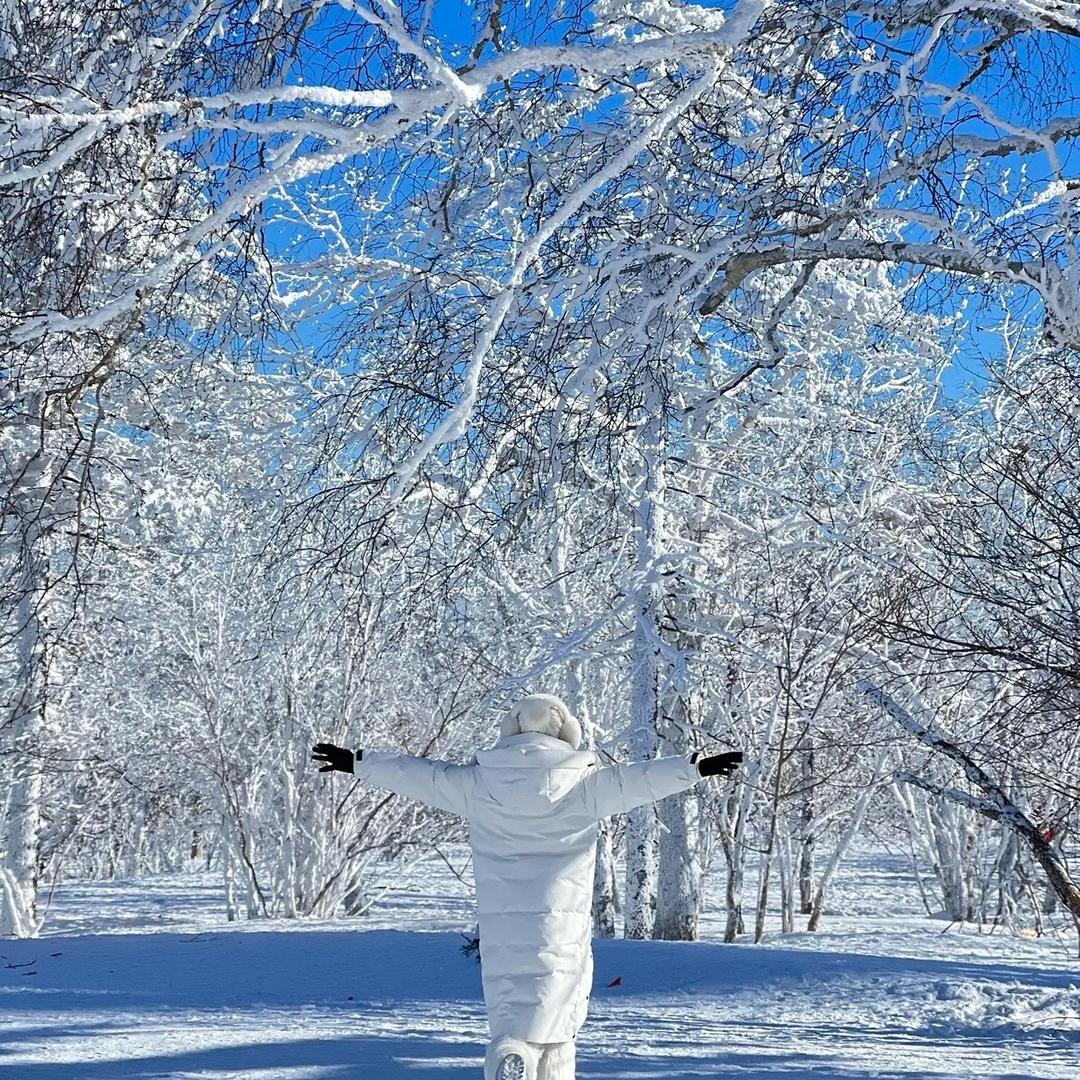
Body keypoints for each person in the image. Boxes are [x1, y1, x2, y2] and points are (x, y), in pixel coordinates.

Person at [312, 693, 742, 1080]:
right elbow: (640, 779)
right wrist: (695, 768)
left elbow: (423, 776)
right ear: (567, 731)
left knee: (511, 1001)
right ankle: (547, 1067)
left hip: (502, 916)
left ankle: (509, 1051)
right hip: (561, 912)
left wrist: (359, 763)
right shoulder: (584, 783)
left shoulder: (479, 782)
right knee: (558, 995)